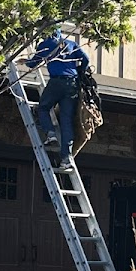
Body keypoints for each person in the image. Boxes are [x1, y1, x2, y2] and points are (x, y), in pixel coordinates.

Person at [27, 30, 90, 170]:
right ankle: (66, 158)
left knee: (43, 108)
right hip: (72, 84)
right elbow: (86, 59)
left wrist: (24, 62)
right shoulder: (71, 43)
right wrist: (80, 71)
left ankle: (50, 134)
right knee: (66, 120)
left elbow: (33, 64)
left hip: (57, 82)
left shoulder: (45, 44)